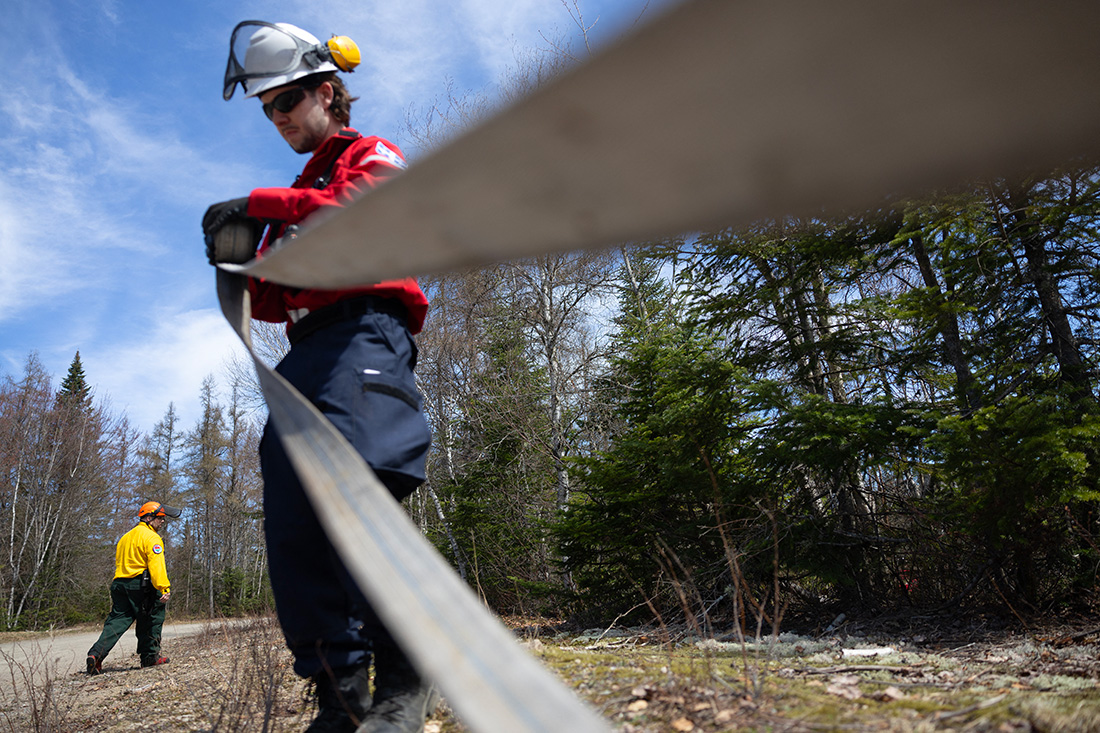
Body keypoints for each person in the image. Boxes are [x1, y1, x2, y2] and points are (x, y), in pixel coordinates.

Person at [202, 21, 435, 733]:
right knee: (291, 502)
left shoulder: (369, 154)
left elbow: (357, 212)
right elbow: (273, 299)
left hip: (365, 330)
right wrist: (239, 256)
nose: (276, 118)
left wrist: (260, 204)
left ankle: (404, 677)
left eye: (287, 100)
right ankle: (340, 690)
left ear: (328, 92)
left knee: (353, 472)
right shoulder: (302, 185)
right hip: (307, 351)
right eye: (267, 108)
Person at [86, 501, 181, 674]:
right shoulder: (152, 538)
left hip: (119, 584)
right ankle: (150, 658)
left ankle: (95, 655)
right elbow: (156, 564)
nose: (163, 522)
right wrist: (163, 587)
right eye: (161, 518)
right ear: (150, 517)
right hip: (141, 585)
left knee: (117, 621)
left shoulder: (125, 537)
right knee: (152, 618)